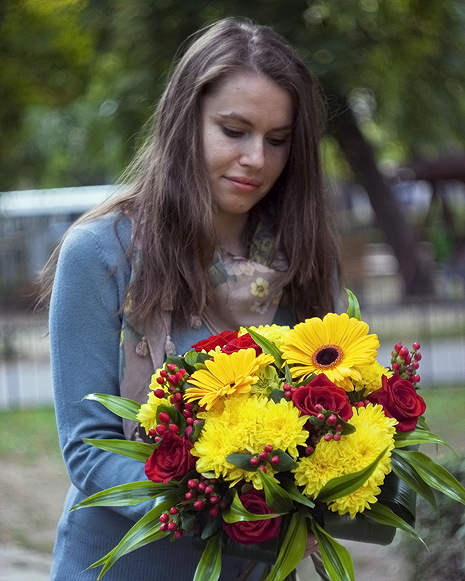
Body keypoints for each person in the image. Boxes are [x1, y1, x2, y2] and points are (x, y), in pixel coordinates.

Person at [40, 17, 340, 580]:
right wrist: (219, 508)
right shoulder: (102, 252)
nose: (257, 157)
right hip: (124, 566)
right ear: (186, 122)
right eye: (234, 130)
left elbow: (335, 410)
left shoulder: (303, 259)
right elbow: (88, 449)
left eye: (277, 140)